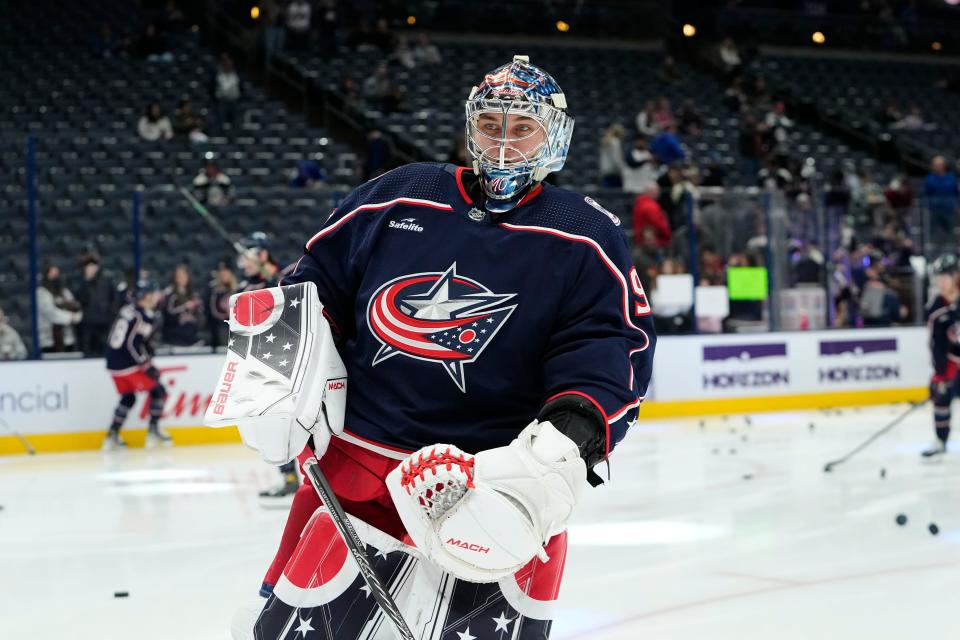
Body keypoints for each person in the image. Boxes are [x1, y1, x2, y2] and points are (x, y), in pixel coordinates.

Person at [224, 55, 655, 640]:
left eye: (521, 127)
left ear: (554, 137)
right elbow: (314, 284)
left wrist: (565, 438)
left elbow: (606, 345)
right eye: (492, 125)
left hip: (487, 489)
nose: (503, 143)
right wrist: (279, 359)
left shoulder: (585, 234)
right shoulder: (397, 196)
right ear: (471, 126)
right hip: (357, 472)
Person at [235, 232, 299, 505]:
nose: (242, 264)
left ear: (262, 254)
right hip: (269, 363)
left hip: (298, 358)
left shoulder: (292, 273)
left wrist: (281, 285)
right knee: (275, 420)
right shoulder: (247, 288)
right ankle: (289, 478)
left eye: (247, 256)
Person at [103, 280, 171, 450]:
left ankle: (112, 435)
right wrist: (145, 364)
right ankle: (153, 433)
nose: (157, 296)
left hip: (114, 362)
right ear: (146, 296)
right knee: (159, 391)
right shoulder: (142, 316)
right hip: (127, 363)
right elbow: (132, 344)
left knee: (129, 397)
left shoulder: (128, 310)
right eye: (153, 293)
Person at [923, 254, 960, 458]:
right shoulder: (936, 307)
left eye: (944, 276)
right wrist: (940, 372)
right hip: (952, 364)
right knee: (941, 397)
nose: (940, 282)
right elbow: (936, 344)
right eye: (938, 278)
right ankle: (941, 439)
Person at [75, 253, 116, 357]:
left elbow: (114, 298)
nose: (92, 268)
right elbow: (78, 298)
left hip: (104, 322)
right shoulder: (79, 281)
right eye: (89, 266)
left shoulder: (106, 280)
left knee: (104, 350)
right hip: (87, 323)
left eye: (94, 265)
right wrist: (87, 281)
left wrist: (110, 313)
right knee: (88, 351)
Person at [37, 264, 82, 353]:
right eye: (52, 274)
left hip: (67, 339)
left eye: (56, 274)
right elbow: (50, 312)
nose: (54, 277)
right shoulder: (41, 293)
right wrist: (71, 318)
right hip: (48, 341)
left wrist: (77, 316)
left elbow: (76, 307)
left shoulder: (65, 292)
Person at [162, 264, 204, 346]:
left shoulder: (191, 293)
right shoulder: (170, 293)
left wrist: (197, 308)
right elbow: (168, 313)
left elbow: (197, 313)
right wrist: (185, 307)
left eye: (183, 275)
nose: (181, 278)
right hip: (174, 327)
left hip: (190, 327)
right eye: (178, 276)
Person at [206, 258, 236, 349]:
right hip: (218, 328)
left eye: (226, 271)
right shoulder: (212, 291)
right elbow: (210, 312)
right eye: (220, 272)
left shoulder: (238, 289)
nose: (223, 274)